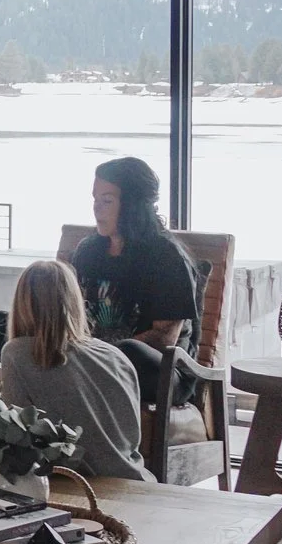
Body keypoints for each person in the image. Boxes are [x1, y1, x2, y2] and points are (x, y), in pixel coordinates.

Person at [0, 259, 150, 482]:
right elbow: (131, 438)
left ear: (22, 303)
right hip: (134, 481)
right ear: (75, 300)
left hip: (78, 485)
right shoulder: (115, 355)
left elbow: (15, 441)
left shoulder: (16, 352)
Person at [69, 156, 201, 399]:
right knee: (6, 328)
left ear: (133, 204)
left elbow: (164, 338)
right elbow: (68, 312)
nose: (96, 208)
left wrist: (99, 355)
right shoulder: (88, 251)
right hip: (91, 361)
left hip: (160, 371)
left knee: (130, 351)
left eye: (106, 200)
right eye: (95, 200)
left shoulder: (166, 257)